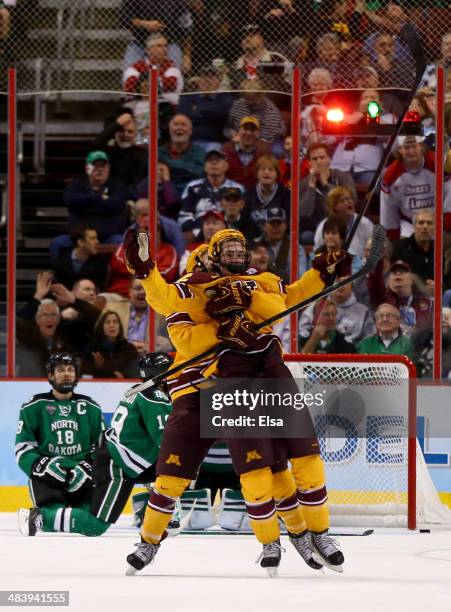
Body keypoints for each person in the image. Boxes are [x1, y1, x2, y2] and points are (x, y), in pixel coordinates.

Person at [122, 227, 348, 575]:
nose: (207, 272)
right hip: (193, 395)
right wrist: (146, 272)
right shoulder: (192, 291)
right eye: (201, 266)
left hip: (232, 385)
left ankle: (302, 534)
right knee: (170, 478)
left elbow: (288, 299)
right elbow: (180, 331)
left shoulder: (256, 282)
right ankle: (148, 542)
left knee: (273, 468)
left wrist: (320, 273)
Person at [16, 353, 105, 536]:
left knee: (95, 523)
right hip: (47, 478)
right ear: (50, 375)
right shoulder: (34, 405)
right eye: (60, 370)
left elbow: (102, 447)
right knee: (63, 515)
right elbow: (23, 447)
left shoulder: (91, 407)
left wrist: (89, 467)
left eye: (71, 369)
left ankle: (41, 517)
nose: (66, 374)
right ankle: (43, 517)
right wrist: (42, 466)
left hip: (83, 477)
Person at [62, 151, 129, 244]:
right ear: (87, 169)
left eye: (103, 166)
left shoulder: (118, 185)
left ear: (109, 168)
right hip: (80, 237)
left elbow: (115, 204)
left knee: (119, 240)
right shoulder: (75, 185)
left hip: (109, 236)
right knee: (57, 243)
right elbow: (70, 200)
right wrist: (99, 198)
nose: (100, 169)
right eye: (95, 165)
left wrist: (84, 206)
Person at [178, 150, 243, 238]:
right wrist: (198, 232)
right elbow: (184, 215)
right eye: (210, 160)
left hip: (227, 235)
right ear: (204, 166)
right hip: (198, 235)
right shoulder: (193, 187)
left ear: (226, 166)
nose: (214, 163)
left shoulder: (237, 189)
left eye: (218, 160)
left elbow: (241, 216)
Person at [380, 136, 435, 240]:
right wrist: (393, 238)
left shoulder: (437, 163)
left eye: (414, 146)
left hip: (436, 222)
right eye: (406, 148)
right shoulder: (391, 175)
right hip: (408, 225)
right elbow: (388, 211)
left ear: (422, 147)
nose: (411, 151)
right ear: (400, 150)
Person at [300, 143, 356, 243]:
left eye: (322, 157)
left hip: (342, 226)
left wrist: (325, 184)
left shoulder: (343, 177)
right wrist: (311, 187)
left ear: (329, 159)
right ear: (309, 163)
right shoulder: (303, 184)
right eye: (315, 159)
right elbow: (304, 213)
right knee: (305, 236)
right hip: (315, 229)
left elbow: (352, 201)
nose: (319, 162)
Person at [368, 259, 433, 337]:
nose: (398, 274)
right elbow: (374, 280)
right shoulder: (383, 301)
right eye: (394, 272)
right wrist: (378, 258)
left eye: (403, 271)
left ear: (411, 279)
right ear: (388, 280)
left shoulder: (429, 304)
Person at [177, 65, 234, 152]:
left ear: (219, 82)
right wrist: (211, 111)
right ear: (199, 81)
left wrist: (197, 109)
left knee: (214, 153)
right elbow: (182, 115)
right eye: (204, 77)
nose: (208, 80)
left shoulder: (225, 97)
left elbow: (221, 113)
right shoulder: (188, 96)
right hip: (190, 141)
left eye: (212, 77)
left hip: (214, 142)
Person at [314, 186, 373, 259]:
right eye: (344, 200)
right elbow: (317, 252)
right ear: (335, 206)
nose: (350, 202)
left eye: (350, 198)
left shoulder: (364, 223)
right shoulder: (324, 226)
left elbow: (373, 248)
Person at [124, 33, 183, 106]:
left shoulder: (172, 66)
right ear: (148, 50)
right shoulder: (135, 67)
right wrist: (159, 83)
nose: (164, 49)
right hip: (140, 105)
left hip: (166, 106)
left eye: (165, 46)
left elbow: (171, 84)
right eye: (159, 46)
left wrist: (144, 84)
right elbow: (129, 86)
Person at [92, 110, 148, 186]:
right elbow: (95, 145)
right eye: (121, 130)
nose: (125, 134)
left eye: (130, 131)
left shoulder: (142, 155)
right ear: (115, 132)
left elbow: (138, 184)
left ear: (135, 134)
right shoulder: (108, 152)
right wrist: (117, 124)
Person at [158, 114, 206, 196]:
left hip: (189, 194)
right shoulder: (159, 152)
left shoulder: (199, 152)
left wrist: (168, 165)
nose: (179, 127)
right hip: (164, 195)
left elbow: (199, 173)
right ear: (170, 130)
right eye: (176, 124)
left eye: (183, 125)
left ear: (190, 131)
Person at [81, 311, 139, 378]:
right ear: (101, 327)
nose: (112, 325)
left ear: (119, 327)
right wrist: (98, 368)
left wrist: (124, 377)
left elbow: (136, 375)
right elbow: (85, 376)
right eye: (108, 322)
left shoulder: (129, 350)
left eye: (115, 322)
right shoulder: (92, 349)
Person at [255, 207, 307, 282]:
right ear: (264, 226)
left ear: (285, 226)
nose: (275, 228)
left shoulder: (295, 247)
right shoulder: (256, 245)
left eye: (279, 224)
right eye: (272, 224)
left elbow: (300, 276)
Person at [225, 79, 285, 144]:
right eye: (247, 98)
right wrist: (232, 134)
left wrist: (245, 141)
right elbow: (228, 127)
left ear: (261, 95)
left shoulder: (271, 112)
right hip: (237, 141)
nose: (250, 102)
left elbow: (266, 140)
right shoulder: (237, 104)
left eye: (254, 99)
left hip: (262, 144)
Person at [52, 225, 109, 292]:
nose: (97, 242)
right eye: (93, 238)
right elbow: (58, 286)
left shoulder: (100, 262)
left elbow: (98, 289)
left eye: (96, 238)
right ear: (81, 242)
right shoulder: (61, 260)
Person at [391, 209, 435, 294]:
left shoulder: (438, 249)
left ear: (434, 228)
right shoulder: (398, 247)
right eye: (421, 223)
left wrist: (437, 285)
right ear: (414, 227)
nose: (425, 227)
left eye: (429, 223)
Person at [223, 116, 272, 189]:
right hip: (231, 194)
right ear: (239, 131)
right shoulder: (226, 150)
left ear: (258, 133)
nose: (248, 133)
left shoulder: (264, 153)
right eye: (245, 129)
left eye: (253, 130)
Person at [245, 155, 291, 231]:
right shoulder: (248, 194)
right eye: (263, 169)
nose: (266, 172)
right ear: (257, 173)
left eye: (271, 170)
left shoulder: (286, 194)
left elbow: (289, 222)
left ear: (277, 174)